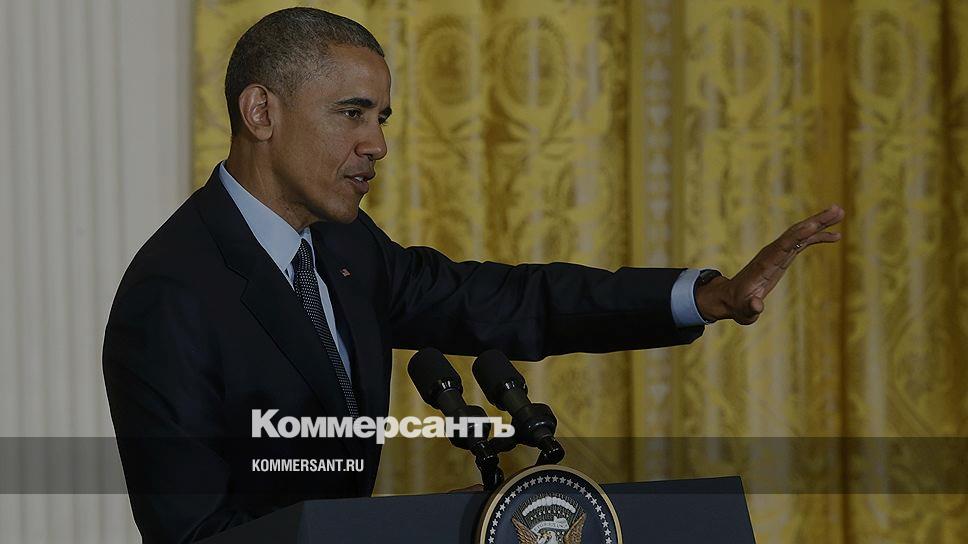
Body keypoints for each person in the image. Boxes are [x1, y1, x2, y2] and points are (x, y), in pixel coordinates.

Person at [102, 7, 844, 543]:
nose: (376, 144)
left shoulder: (347, 247)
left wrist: (704, 297)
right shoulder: (172, 294)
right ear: (261, 112)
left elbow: (511, 301)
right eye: (352, 113)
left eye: (382, 118)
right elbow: (195, 534)